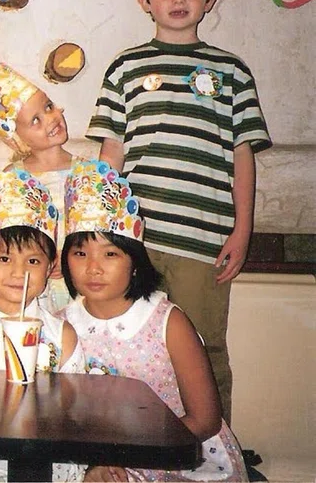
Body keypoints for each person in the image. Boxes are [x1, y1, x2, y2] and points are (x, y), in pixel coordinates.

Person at [86, 0, 271, 422]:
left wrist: (243, 231)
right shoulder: (125, 67)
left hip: (203, 242)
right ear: (145, 0)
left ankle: (216, 457)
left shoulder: (231, 72)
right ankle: (126, 447)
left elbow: (243, 156)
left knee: (205, 350)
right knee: (127, 345)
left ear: (210, 0)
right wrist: (103, 233)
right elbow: (111, 156)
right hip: (136, 239)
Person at [58, 159, 247, 482]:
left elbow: (205, 419)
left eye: (110, 254)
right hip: (95, 461)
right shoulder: (61, 325)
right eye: (80, 254)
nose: (93, 268)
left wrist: (124, 455)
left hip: (174, 452)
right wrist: (94, 462)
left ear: (134, 262)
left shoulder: (167, 321)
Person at [0, 169, 85, 482]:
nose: (18, 272)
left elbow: (76, 417)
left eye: (32, 261)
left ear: (51, 267)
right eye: (4, 259)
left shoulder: (61, 335)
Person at [0, 59, 85, 313]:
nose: (50, 119)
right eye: (35, 120)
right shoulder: (13, 178)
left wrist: (68, 259)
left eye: (48, 107)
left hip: (78, 288)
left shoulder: (88, 173)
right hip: (30, 292)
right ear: (17, 138)